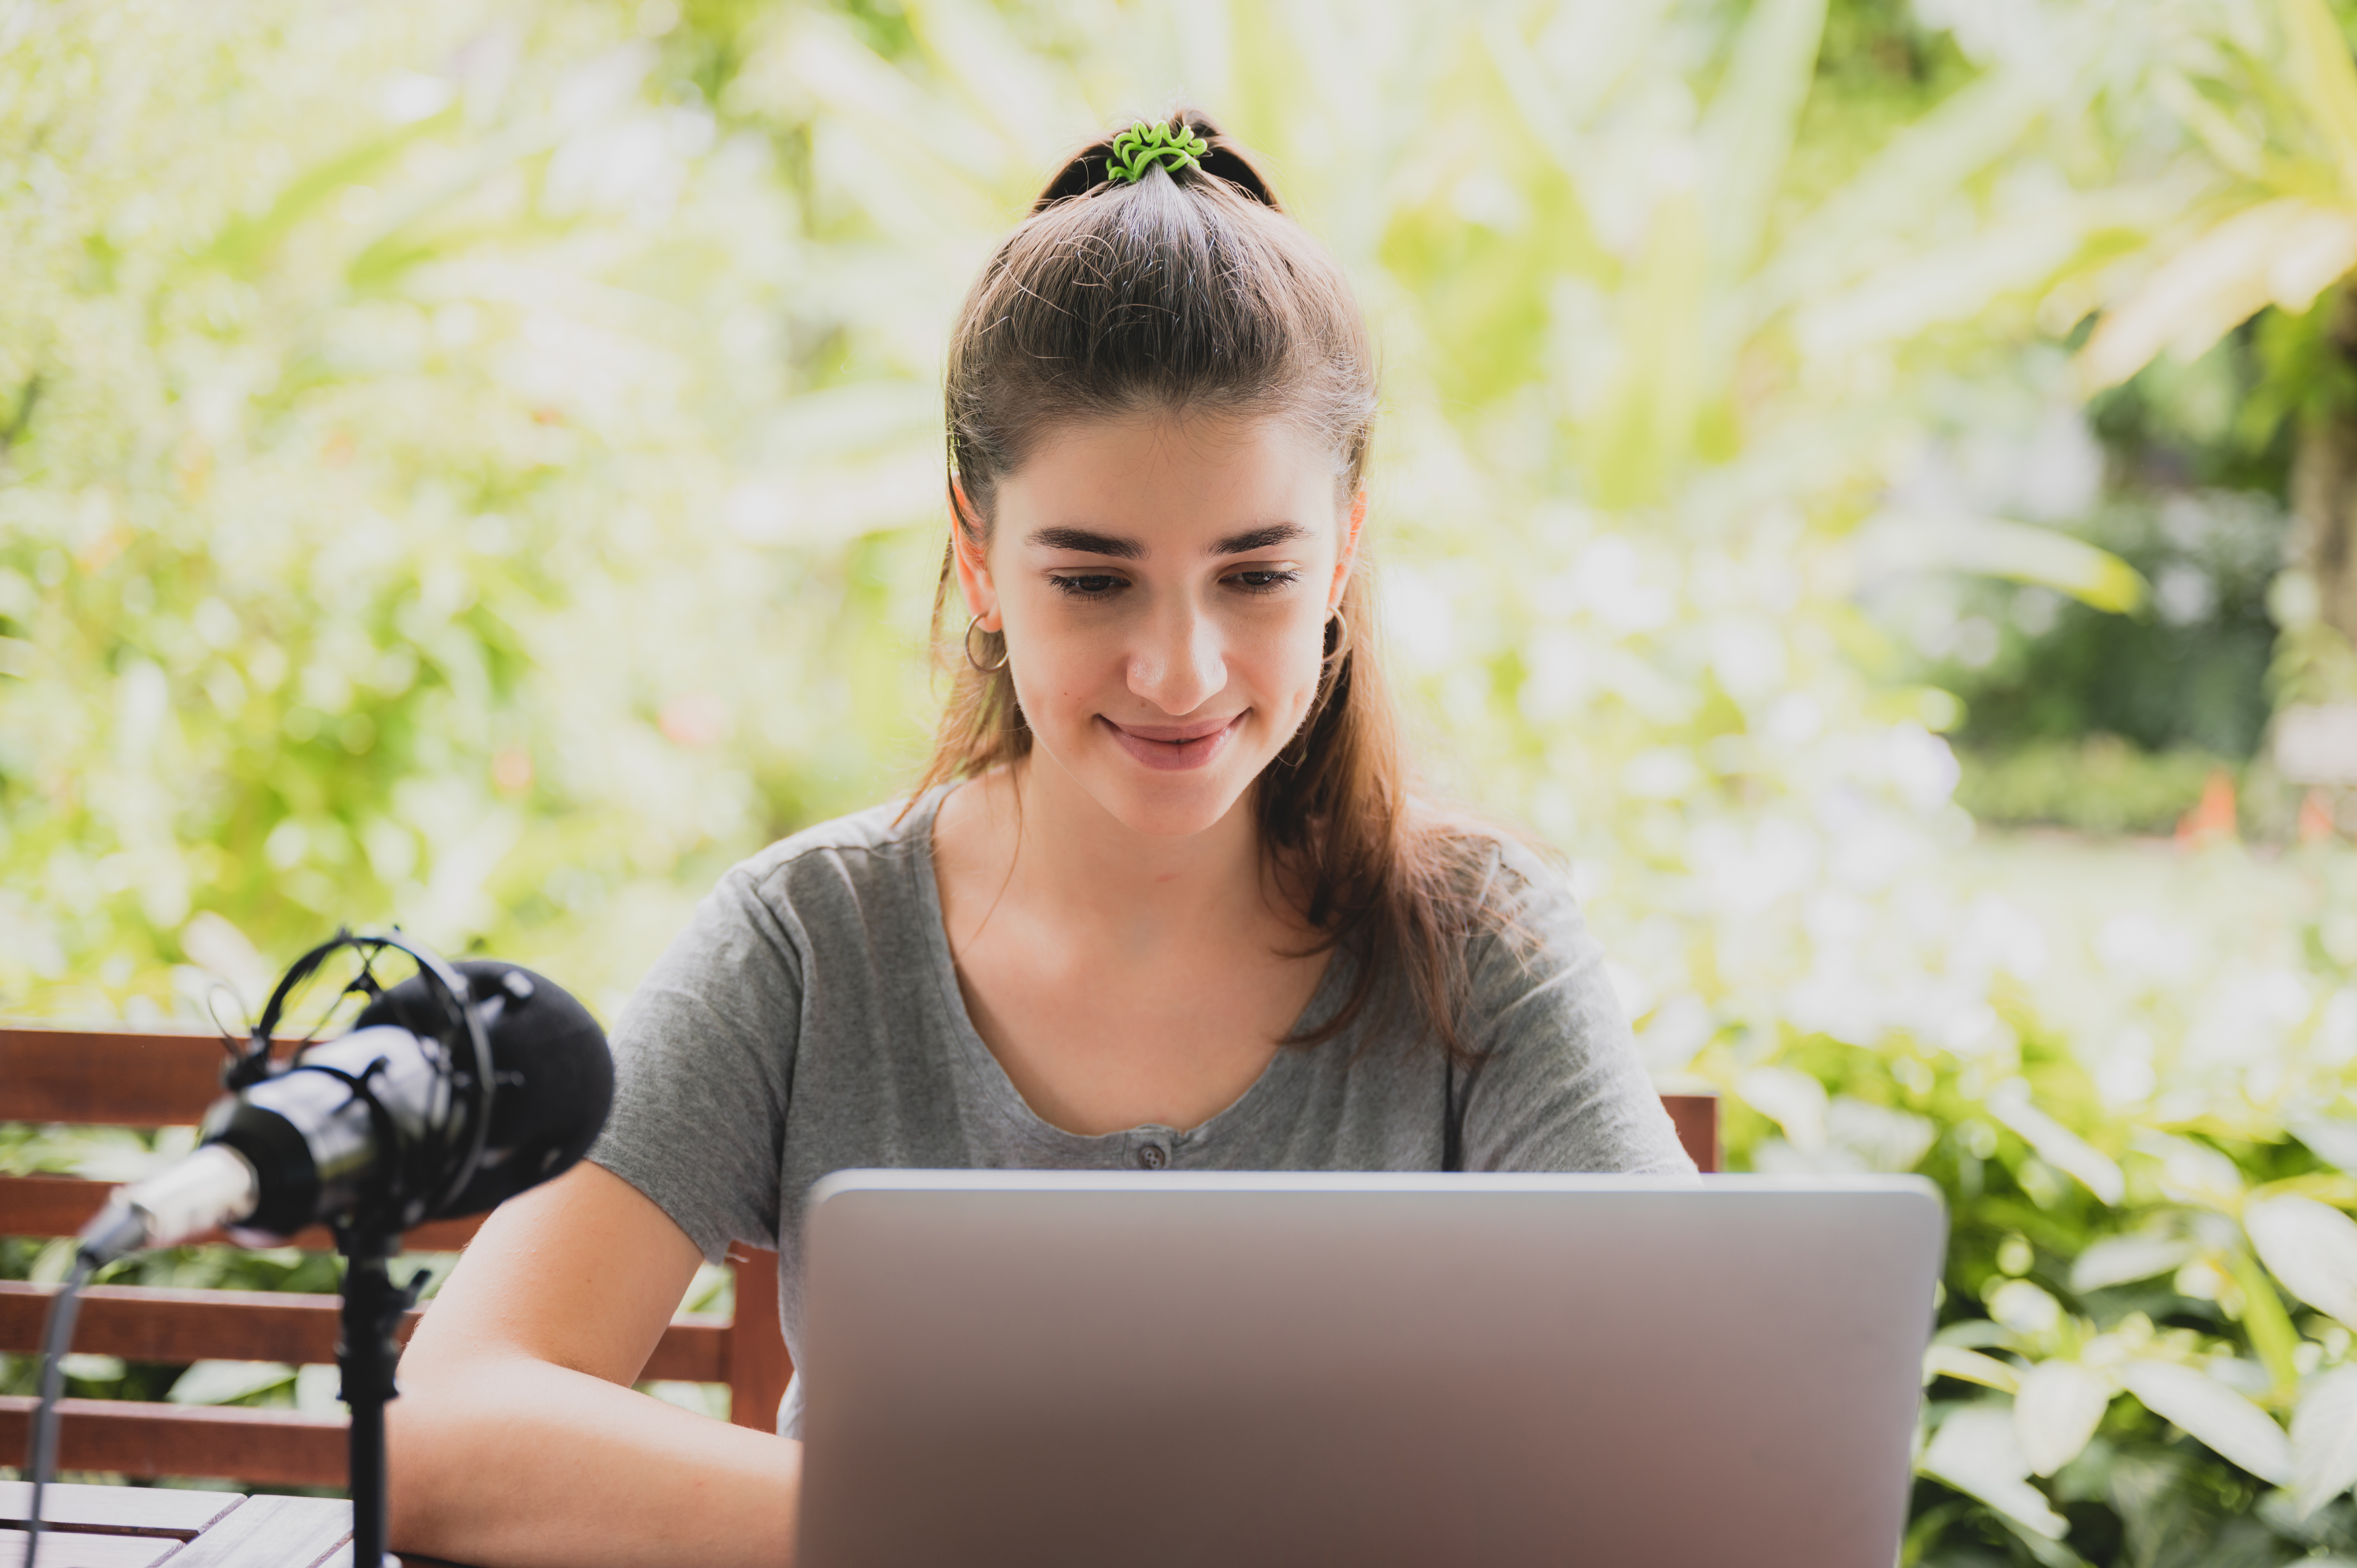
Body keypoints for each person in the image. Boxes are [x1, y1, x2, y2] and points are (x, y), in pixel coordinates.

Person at [386, 111, 1693, 1568]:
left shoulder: (1480, 945)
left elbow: (1692, 1438)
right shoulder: (813, 942)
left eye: (1256, 574)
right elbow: (445, 1429)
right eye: (1094, 582)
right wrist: (956, 1533)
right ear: (977, 558)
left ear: (1345, 553)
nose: (1182, 670)